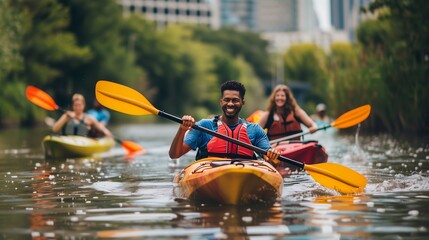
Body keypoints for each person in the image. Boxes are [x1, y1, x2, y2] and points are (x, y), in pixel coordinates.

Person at [169, 81, 280, 165]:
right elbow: (174, 155)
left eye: (235, 100)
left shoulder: (255, 130)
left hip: (244, 173)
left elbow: (269, 158)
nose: (230, 104)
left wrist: (272, 154)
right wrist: (182, 130)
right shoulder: (203, 126)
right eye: (226, 100)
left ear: (242, 103)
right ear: (221, 102)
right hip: (209, 173)